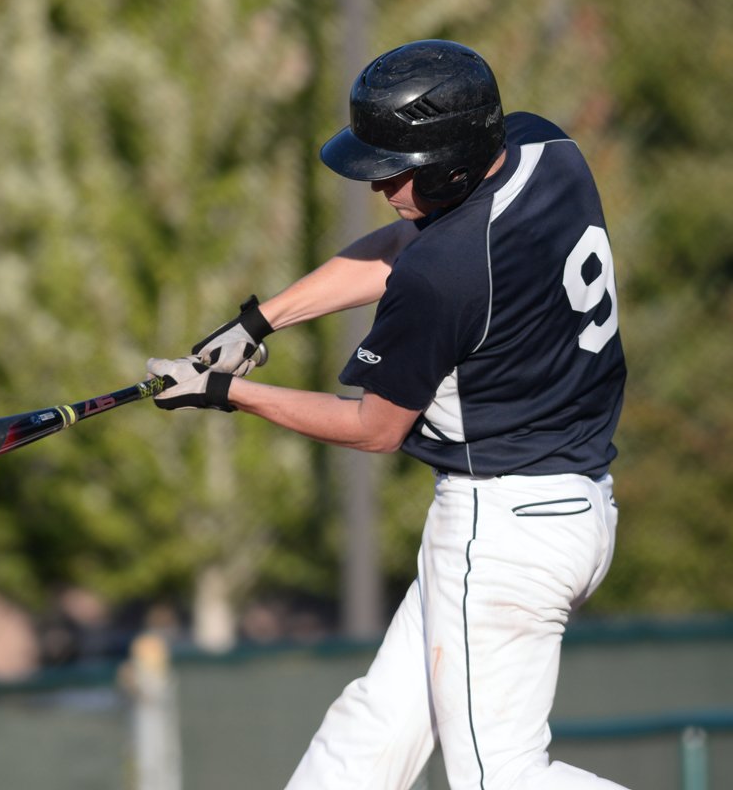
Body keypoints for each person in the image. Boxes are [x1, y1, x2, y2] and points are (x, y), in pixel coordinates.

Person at [147, 39, 628, 790]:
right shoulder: (545, 147)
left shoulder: (447, 276)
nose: (379, 186)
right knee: (376, 729)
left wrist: (228, 395)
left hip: (501, 530)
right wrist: (259, 323)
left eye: (396, 170)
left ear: (452, 168)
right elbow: (412, 240)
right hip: (569, 506)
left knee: (499, 779)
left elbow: (375, 428)